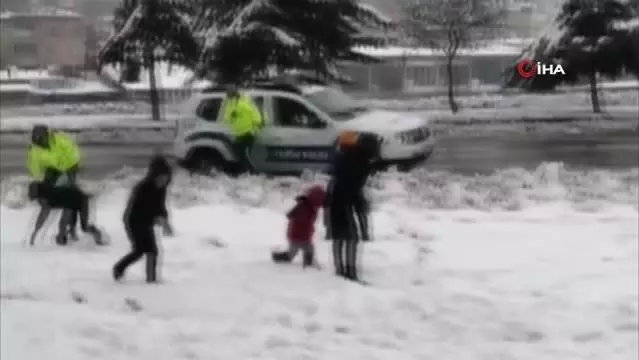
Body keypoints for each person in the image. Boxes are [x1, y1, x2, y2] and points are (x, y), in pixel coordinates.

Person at [324, 131, 381, 282]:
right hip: (342, 199)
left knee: (340, 236)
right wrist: (360, 204)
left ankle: (340, 270)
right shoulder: (358, 162)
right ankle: (349, 273)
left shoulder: (351, 156)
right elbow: (353, 187)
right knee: (351, 237)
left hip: (336, 197)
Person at [113, 155, 174, 283]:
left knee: (150, 251)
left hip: (146, 223)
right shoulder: (143, 188)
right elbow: (144, 209)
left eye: (166, 178)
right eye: (161, 178)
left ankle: (149, 279)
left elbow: (161, 206)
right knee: (142, 250)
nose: (163, 181)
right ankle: (120, 269)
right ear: (154, 176)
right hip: (133, 221)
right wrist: (158, 218)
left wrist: (165, 221)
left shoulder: (161, 189)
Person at [27, 124, 81, 245]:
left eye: (40, 137)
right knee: (46, 204)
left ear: (46, 135)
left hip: (70, 167)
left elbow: (73, 153)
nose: (39, 141)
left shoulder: (59, 139)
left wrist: (66, 170)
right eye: (36, 138)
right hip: (52, 172)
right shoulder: (35, 149)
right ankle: (34, 234)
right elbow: (35, 169)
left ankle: (65, 232)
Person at [27, 181, 104, 246]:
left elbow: (63, 221)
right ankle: (71, 237)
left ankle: (98, 237)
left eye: (39, 199)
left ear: (44, 197)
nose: (39, 202)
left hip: (81, 201)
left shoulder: (57, 198)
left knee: (84, 228)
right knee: (70, 226)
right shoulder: (50, 197)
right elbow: (42, 215)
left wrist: (35, 234)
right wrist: (35, 232)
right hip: (72, 198)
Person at [272, 185, 326, 268]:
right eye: (321, 199)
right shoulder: (303, 206)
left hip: (303, 235)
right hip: (297, 235)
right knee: (295, 252)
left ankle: (308, 260)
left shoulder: (310, 206)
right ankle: (277, 257)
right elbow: (291, 215)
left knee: (308, 249)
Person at [221, 86, 263, 173]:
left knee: (242, 155)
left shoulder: (244, 101)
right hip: (239, 134)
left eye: (229, 93)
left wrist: (255, 126)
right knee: (241, 155)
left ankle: (251, 172)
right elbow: (227, 118)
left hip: (247, 133)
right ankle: (248, 173)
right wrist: (233, 115)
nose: (227, 95)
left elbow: (256, 118)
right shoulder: (231, 103)